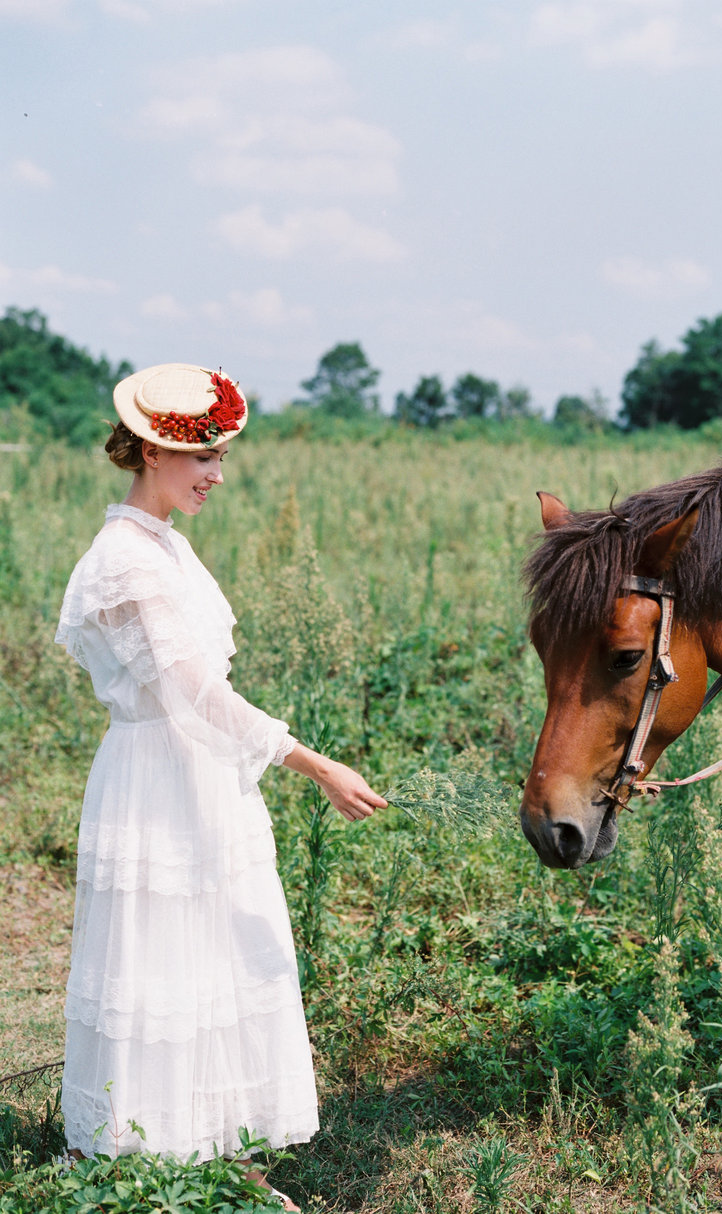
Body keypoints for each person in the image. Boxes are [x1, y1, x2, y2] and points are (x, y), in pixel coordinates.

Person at [55, 363, 386, 1210]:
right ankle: (146, 1162)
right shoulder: (123, 557)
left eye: (222, 458)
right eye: (204, 460)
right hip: (158, 775)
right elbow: (193, 693)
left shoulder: (164, 541)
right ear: (153, 453)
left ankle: (209, 1151)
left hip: (199, 771)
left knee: (217, 949)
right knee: (163, 955)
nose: (218, 476)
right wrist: (312, 765)